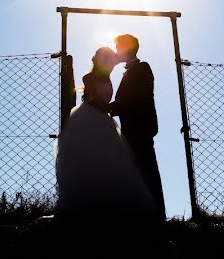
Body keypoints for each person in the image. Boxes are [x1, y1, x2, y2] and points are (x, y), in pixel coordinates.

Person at [54, 46, 156, 221]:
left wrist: (118, 55)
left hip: (105, 118)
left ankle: (109, 204)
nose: (109, 61)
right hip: (89, 118)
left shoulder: (112, 71)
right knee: (90, 160)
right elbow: (95, 99)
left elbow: (121, 59)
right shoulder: (89, 78)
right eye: (105, 58)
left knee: (110, 161)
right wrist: (108, 108)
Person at [109, 34, 167, 220]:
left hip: (141, 129)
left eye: (119, 48)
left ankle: (157, 217)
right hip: (132, 131)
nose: (117, 52)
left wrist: (107, 107)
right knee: (138, 173)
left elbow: (133, 99)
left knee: (148, 173)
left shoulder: (142, 68)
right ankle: (142, 216)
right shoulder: (129, 71)